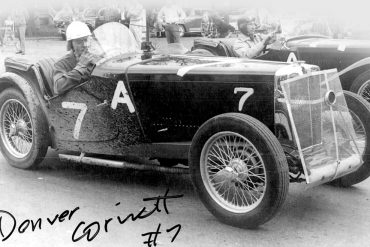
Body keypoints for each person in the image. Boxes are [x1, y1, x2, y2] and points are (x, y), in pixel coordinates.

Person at [53, 21, 101, 95]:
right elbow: (58, 88)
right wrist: (81, 66)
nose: (85, 45)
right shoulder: (61, 64)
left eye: (86, 40)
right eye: (79, 42)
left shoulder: (96, 58)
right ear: (71, 45)